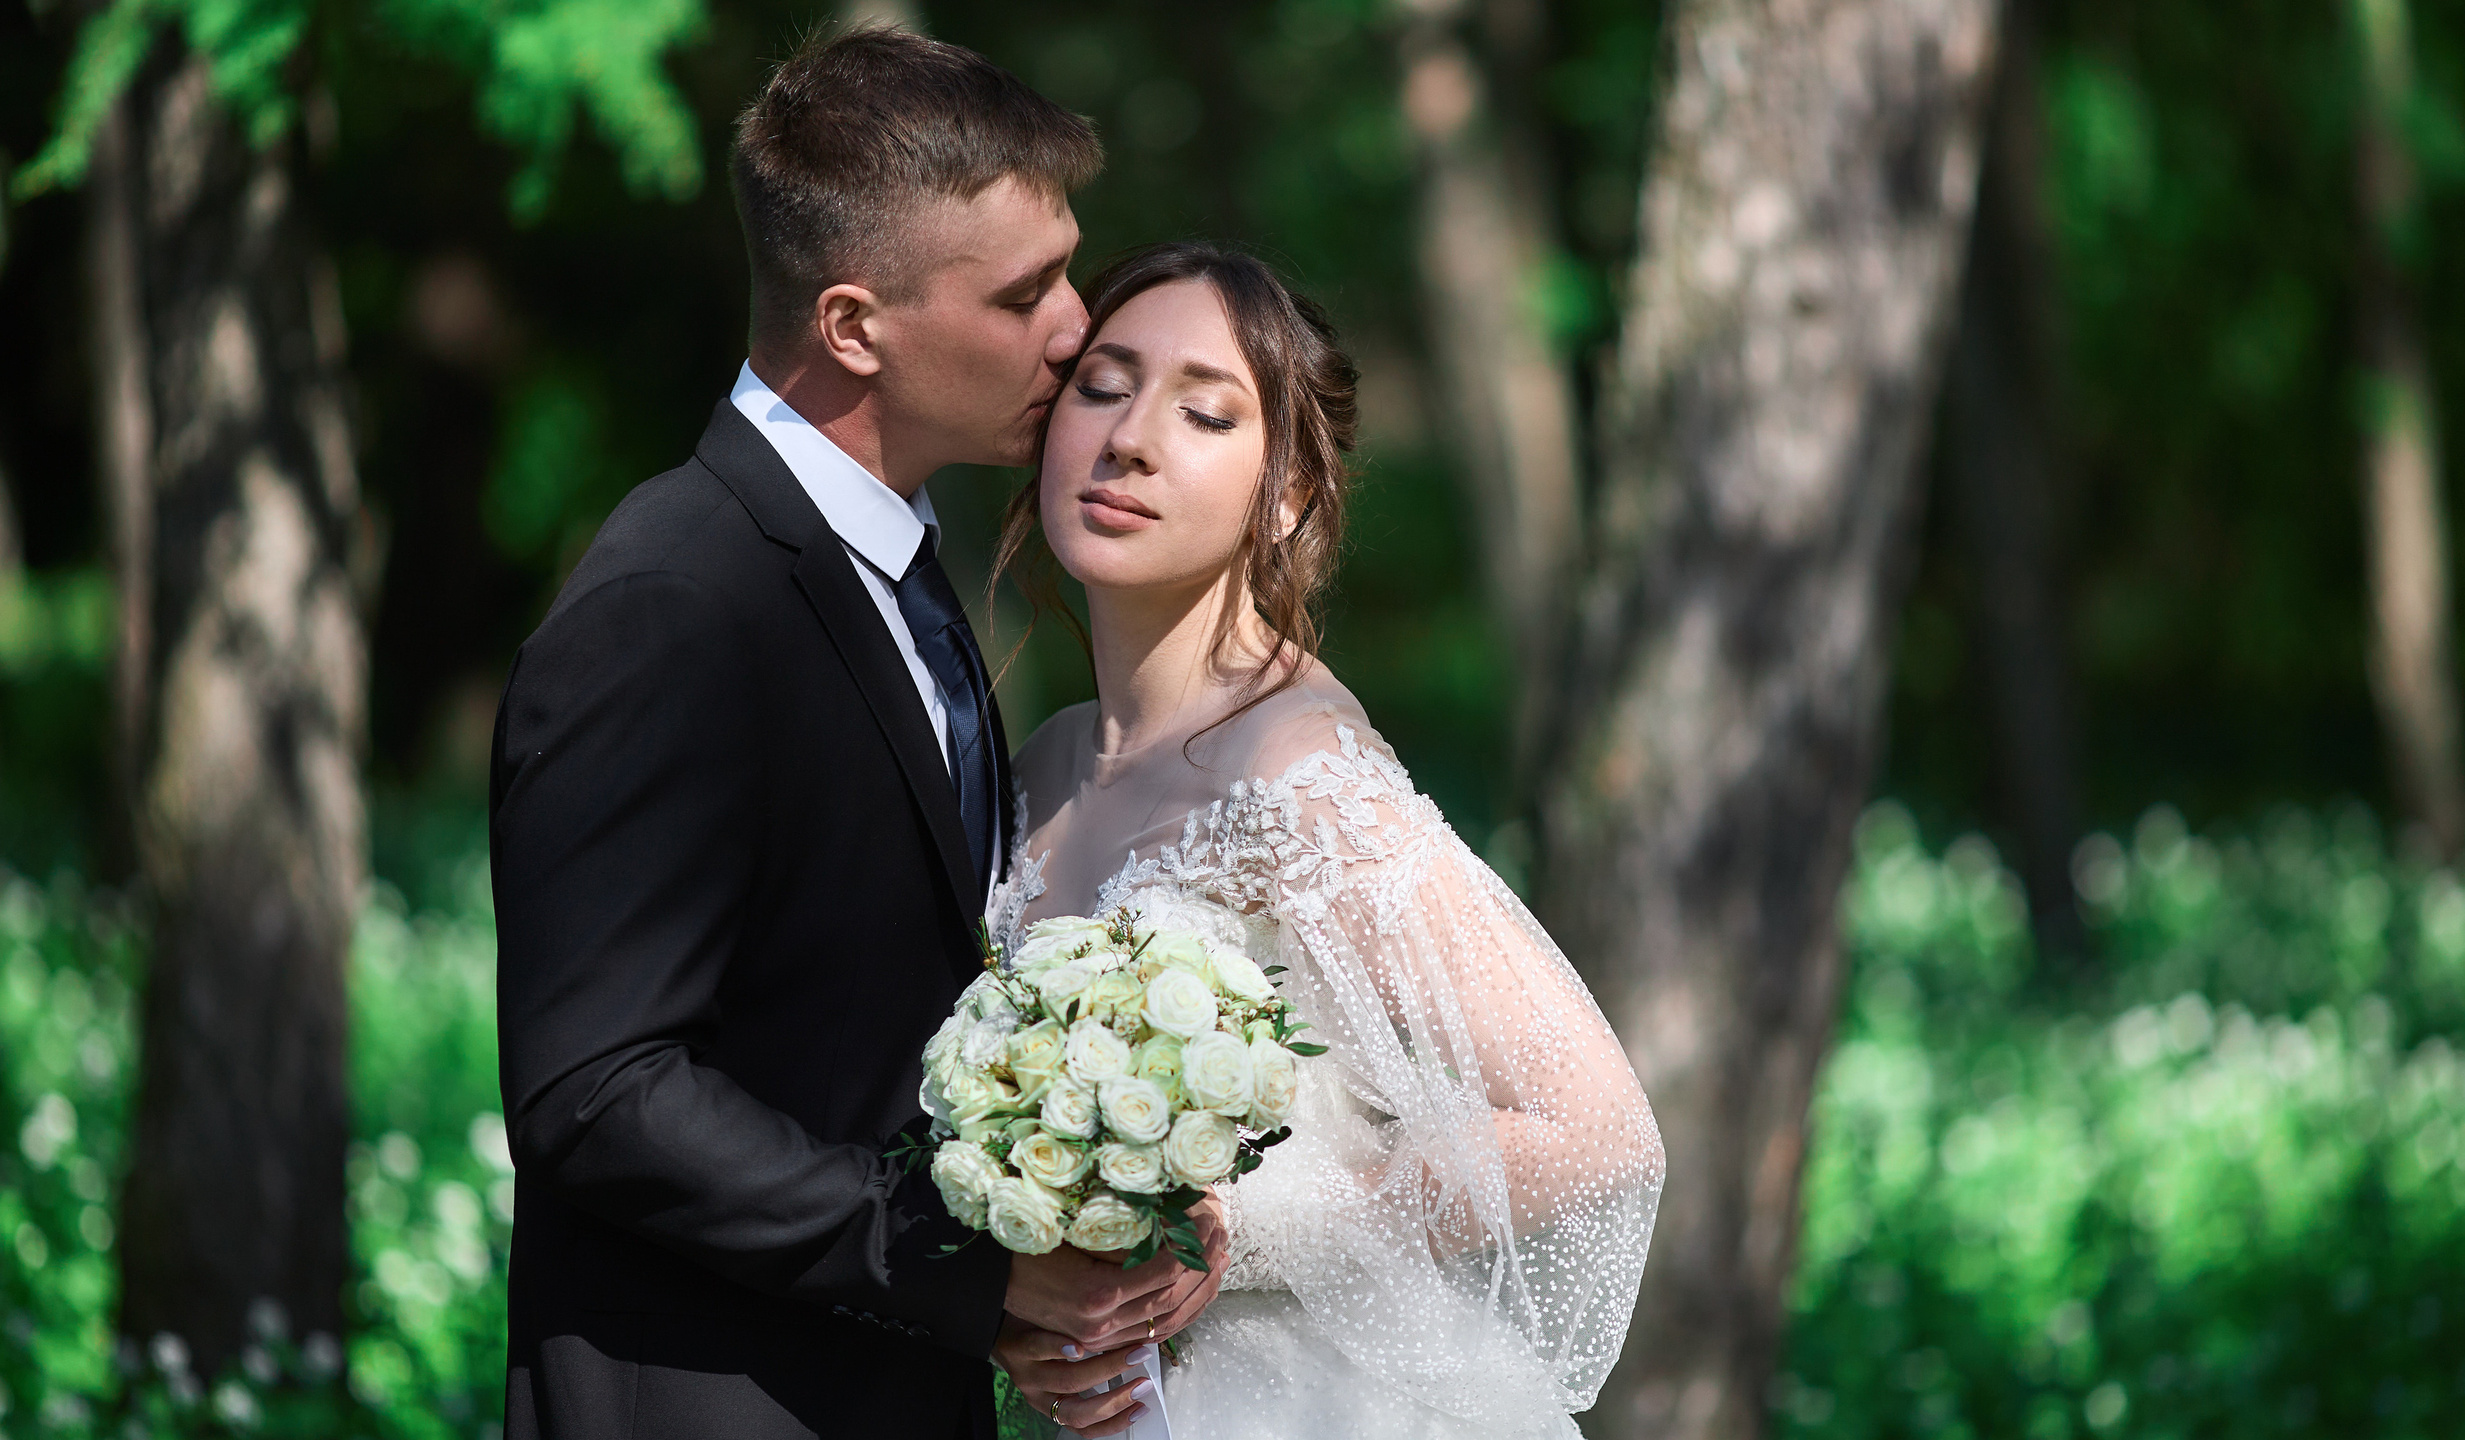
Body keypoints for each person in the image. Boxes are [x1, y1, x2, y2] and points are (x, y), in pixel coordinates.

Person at [489, 30, 1228, 1440]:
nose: (1075, 328)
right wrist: (965, 1266)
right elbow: (598, 1089)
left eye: (1066, 272)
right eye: (1021, 295)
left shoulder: (899, 571)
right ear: (851, 327)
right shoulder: (673, 606)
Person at [983, 244, 1665, 1439]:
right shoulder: (1039, 768)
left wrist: (1228, 1232)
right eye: (1102, 386)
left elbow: (1594, 1126)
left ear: (1287, 493)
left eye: (1204, 413)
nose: (1130, 439)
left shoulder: (1294, 769)